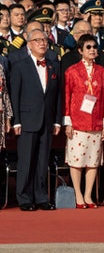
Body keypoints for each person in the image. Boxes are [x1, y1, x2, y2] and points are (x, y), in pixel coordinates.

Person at [10, 28, 63, 210]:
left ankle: (41, 197)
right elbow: (14, 96)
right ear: (29, 44)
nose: (42, 43)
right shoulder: (19, 66)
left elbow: (57, 96)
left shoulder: (53, 65)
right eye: (38, 40)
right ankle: (24, 199)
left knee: (42, 161)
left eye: (45, 41)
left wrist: (57, 120)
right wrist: (16, 120)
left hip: (47, 120)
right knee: (26, 161)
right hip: (27, 120)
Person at [62, 33, 104, 208]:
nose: (92, 50)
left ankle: (89, 195)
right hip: (77, 122)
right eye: (88, 47)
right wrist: (67, 122)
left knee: (93, 161)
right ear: (80, 50)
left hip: (97, 122)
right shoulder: (72, 71)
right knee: (77, 160)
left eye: (94, 47)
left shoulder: (103, 72)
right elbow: (66, 97)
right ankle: (78, 195)